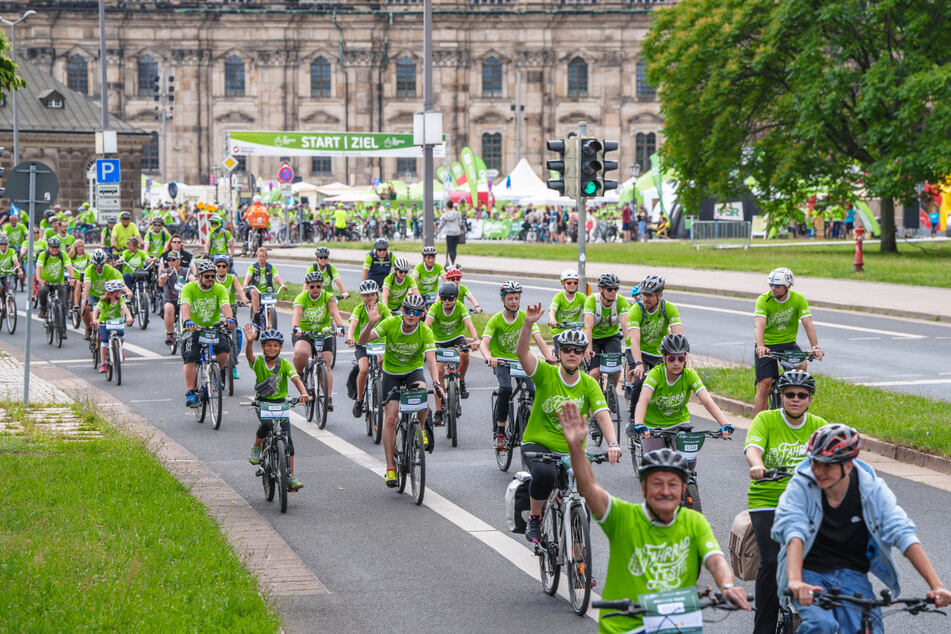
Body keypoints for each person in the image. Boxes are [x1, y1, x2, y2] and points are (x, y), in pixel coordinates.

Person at [559, 401, 751, 632]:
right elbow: (588, 488)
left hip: (677, 626)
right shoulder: (623, 517)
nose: (665, 491)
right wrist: (576, 448)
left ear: (683, 490)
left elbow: (716, 560)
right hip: (626, 628)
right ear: (643, 489)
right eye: (657, 483)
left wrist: (728, 586)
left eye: (673, 484)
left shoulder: (694, 522)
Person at [773, 424, 951, 633]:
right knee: (822, 625)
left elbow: (902, 532)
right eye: (815, 463)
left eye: (827, 466)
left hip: (852, 574)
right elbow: (794, 532)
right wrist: (795, 582)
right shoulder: (801, 485)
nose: (819, 472)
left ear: (848, 466)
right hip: (808, 572)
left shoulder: (870, 488)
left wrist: (937, 585)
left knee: (868, 627)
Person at [518, 311, 622, 543]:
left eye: (577, 350)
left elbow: (603, 414)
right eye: (567, 349)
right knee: (544, 476)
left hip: (572, 451)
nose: (572, 354)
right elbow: (522, 354)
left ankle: (579, 560)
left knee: (585, 497)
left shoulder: (588, 383)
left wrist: (613, 443)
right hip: (538, 445)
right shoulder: (546, 374)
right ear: (559, 352)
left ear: (585, 355)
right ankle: (535, 518)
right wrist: (527, 324)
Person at [743, 370, 827, 634]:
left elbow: (835, 456)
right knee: (771, 560)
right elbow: (753, 448)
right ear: (781, 395)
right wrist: (757, 466)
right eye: (790, 394)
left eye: (802, 395)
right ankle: (764, 628)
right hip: (767, 498)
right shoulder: (766, 419)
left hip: (806, 501)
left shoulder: (818, 426)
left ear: (810, 400)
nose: (795, 399)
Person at [358, 294, 443, 485]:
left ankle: (420, 429)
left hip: (413, 371)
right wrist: (370, 324)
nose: (412, 315)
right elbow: (364, 341)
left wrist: (436, 382)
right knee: (391, 417)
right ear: (403, 311)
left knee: (423, 395)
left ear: (422, 315)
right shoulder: (391, 323)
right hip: (391, 373)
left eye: (417, 312)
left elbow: (431, 360)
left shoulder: (425, 331)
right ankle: (390, 468)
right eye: (409, 311)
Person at [481, 281, 555, 450]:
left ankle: (530, 426)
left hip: (522, 360)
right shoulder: (496, 320)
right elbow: (484, 344)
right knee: (506, 389)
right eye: (510, 298)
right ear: (502, 300)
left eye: (516, 298)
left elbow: (539, 339)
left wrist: (549, 356)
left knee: (532, 391)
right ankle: (500, 431)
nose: (514, 302)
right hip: (502, 361)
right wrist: (489, 357)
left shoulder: (525, 317)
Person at [630, 334, 734, 453]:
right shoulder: (656, 374)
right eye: (671, 358)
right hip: (653, 426)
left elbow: (707, 400)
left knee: (688, 463)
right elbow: (643, 399)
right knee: (655, 463)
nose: (676, 363)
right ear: (664, 359)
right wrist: (639, 424)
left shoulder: (689, 375)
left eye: (680, 359)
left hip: (679, 423)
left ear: (685, 359)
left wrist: (725, 424)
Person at [244, 325, 308, 492]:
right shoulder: (258, 362)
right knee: (266, 424)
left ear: (280, 347)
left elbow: (296, 379)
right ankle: (257, 446)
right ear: (263, 347)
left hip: (281, 404)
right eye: (268, 345)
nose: (271, 348)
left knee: (288, 441)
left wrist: (304, 393)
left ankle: (290, 476)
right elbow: (249, 356)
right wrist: (249, 342)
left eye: (275, 345)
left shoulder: (285, 363)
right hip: (263, 403)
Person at [754, 268, 823, 413]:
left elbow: (807, 323)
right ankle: (758, 423)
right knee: (765, 384)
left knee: (801, 369)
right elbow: (759, 324)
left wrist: (815, 347)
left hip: (788, 344)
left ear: (788, 286)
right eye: (771, 285)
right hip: (767, 345)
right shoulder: (763, 300)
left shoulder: (798, 299)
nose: (773, 288)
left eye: (777, 285)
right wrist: (760, 346)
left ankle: (793, 411)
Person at [625, 275, 683, 431]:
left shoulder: (668, 308)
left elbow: (679, 339)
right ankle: (633, 421)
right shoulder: (636, 309)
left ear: (660, 295)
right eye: (644, 294)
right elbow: (634, 341)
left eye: (650, 295)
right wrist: (638, 364)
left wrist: (685, 365)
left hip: (658, 353)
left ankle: (662, 416)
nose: (645, 298)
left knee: (664, 382)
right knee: (639, 381)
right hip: (638, 351)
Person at [180, 260, 237, 408]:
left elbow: (225, 305)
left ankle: (213, 373)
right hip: (194, 328)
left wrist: (230, 318)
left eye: (213, 276)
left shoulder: (219, 289)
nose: (211, 279)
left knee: (224, 352)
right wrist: (187, 320)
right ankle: (191, 392)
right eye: (207, 276)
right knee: (190, 357)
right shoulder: (189, 288)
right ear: (199, 276)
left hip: (213, 327)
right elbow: (185, 305)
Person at [291, 271, 347, 412]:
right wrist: (295, 327)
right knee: (301, 353)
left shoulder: (328, 297)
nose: (315, 289)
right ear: (307, 287)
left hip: (324, 332)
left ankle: (328, 397)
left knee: (326, 364)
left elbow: (335, 313)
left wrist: (340, 326)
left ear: (322, 286)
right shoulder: (301, 297)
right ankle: (301, 376)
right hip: (305, 333)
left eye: (318, 286)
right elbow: (297, 313)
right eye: (312, 287)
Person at [424, 282, 480, 422]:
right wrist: (424, 341)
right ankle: (438, 411)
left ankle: (461, 381)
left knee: (466, 354)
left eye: (450, 298)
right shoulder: (436, 307)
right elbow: (426, 325)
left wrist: (475, 339)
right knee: (439, 371)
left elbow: (469, 324)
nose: (447, 302)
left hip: (456, 338)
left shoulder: (460, 307)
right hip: (438, 341)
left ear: (455, 298)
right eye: (444, 298)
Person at [583, 273, 629, 434]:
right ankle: (593, 419)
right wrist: (588, 348)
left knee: (615, 368)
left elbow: (625, 325)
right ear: (600, 289)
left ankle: (611, 392)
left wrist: (630, 347)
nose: (613, 292)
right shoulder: (592, 301)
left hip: (611, 337)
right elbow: (588, 327)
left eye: (616, 289)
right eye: (610, 289)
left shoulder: (621, 302)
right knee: (594, 373)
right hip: (594, 338)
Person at [347, 280, 392, 418]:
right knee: (364, 369)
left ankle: (384, 392)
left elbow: (391, 323)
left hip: (380, 344)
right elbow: (353, 325)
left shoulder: (382, 308)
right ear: (361, 297)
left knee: (383, 363)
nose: (369, 298)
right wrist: (350, 337)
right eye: (366, 295)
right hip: (363, 345)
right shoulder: (359, 309)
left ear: (377, 295)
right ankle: (359, 399)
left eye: (372, 294)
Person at [90, 280, 135, 373]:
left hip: (116, 321)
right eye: (118, 291)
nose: (120, 293)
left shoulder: (120, 300)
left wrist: (129, 317)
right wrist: (95, 320)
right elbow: (96, 311)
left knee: (121, 335)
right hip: (104, 322)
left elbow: (126, 310)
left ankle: (118, 349)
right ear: (112, 293)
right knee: (104, 341)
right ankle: (103, 364)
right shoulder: (103, 301)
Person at [243, 247, 287, 328]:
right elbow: (248, 277)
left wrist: (282, 285)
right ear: (257, 257)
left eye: (263, 256)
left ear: (266, 257)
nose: (261, 258)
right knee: (254, 292)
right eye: (259, 256)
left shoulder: (270, 267)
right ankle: (256, 316)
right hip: (255, 291)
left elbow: (276, 277)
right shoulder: (252, 267)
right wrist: (245, 284)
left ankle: (271, 328)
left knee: (270, 308)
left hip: (267, 292)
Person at [35, 236, 74, 327]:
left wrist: (72, 278)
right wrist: (40, 280)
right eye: (52, 247)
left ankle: (63, 329)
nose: (54, 249)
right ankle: (43, 308)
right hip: (46, 282)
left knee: (63, 305)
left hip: (59, 282)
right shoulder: (43, 255)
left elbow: (69, 266)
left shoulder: (62, 254)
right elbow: (38, 268)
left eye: (56, 247)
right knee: (42, 290)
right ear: (48, 247)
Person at [158, 250, 190, 347]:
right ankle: (170, 334)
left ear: (179, 260)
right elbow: (160, 283)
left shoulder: (185, 271)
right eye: (169, 260)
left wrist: (193, 279)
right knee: (168, 307)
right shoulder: (165, 271)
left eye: (173, 260)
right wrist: (163, 278)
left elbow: (192, 278)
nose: (171, 262)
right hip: (171, 300)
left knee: (189, 306)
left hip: (184, 300)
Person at [547, 269, 586, 349]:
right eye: (569, 282)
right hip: (559, 330)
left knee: (580, 351)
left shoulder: (581, 297)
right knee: (561, 353)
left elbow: (589, 311)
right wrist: (553, 320)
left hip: (575, 330)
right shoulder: (558, 297)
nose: (572, 285)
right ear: (563, 283)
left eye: (575, 282)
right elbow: (552, 310)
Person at [440, 200, 464, 268]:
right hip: (456, 232)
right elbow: (460, 222)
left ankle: (452, 262)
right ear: (452, 205)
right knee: (454, 248)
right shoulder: (456, 213)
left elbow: (442, 223)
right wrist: (460, 228)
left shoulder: (445, 214)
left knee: (450, 248)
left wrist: (439, 228)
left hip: (449, 233)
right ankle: (453, 261)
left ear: (447, 206)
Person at [68, 241, 90, 313]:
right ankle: (76, 304)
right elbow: (68, 266)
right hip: (75, 277)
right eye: (79, 246)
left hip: (85, 277)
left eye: (82, 246)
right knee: (78, 283)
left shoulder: (87, 256)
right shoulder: (71, 257)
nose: (81, 248)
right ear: (75, 248)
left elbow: (91, 263)